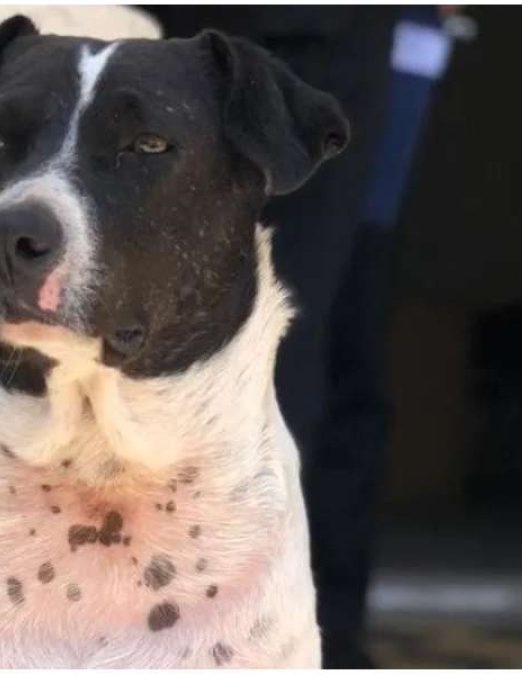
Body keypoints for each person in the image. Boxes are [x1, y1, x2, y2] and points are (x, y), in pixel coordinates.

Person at [140, 7, 398, 667]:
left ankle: (288, 631)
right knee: (273, 342)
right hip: (196, 40)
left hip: (312, 37)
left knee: (301, 335)